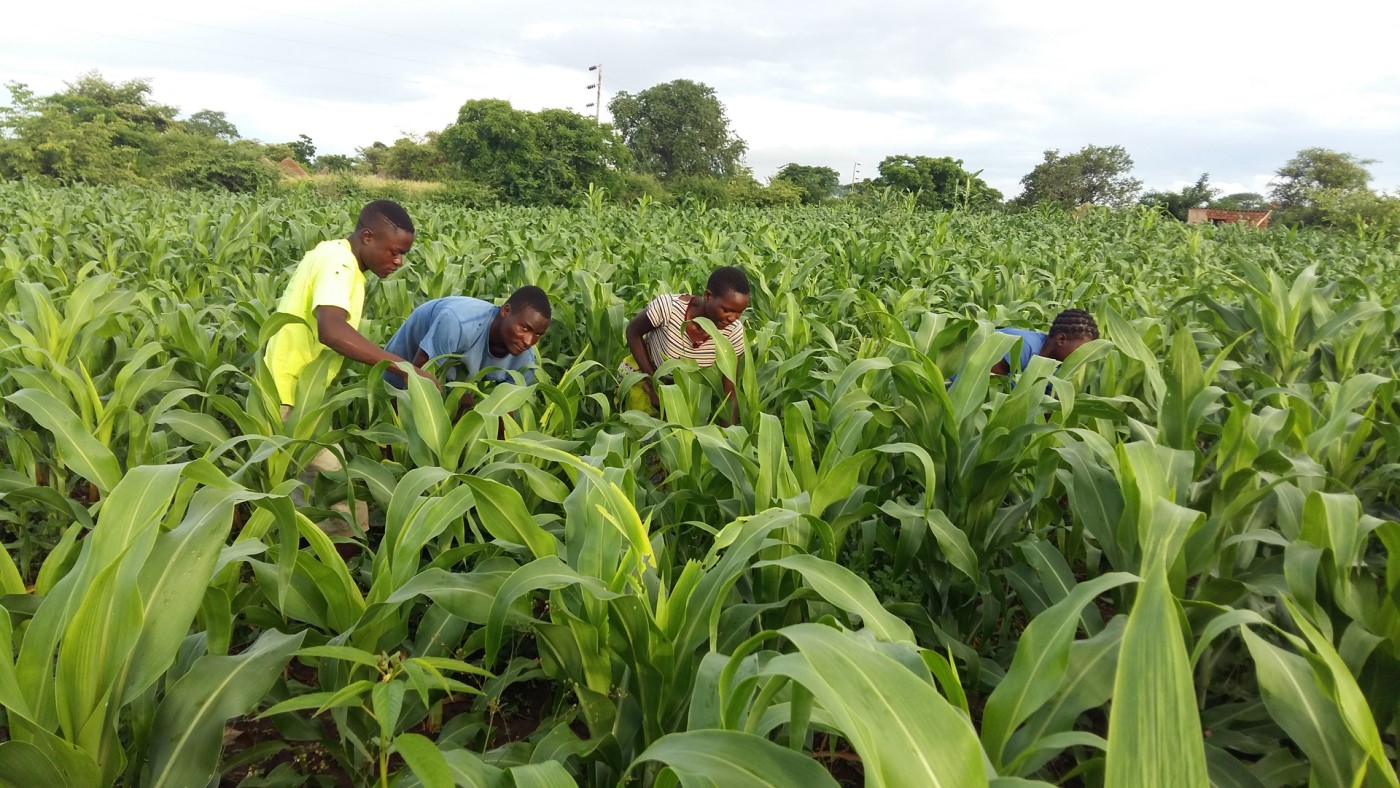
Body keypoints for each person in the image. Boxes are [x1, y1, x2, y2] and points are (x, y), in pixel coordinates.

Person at [263, 199, 429, 536]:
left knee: (299, 498)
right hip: (288, 396)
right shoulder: (338, 264)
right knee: (346, 503)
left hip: (301, 396)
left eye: (403, 255)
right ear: (368, 237)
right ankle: (346, 579)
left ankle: (297, 559)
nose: (398, 262)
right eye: (394, 251)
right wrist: (405, 369)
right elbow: (332, 330)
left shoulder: (337, 259)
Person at [621, 266, 750, 426]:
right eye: (727, 310)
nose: (733, 318)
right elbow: (633, 332)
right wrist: (652, 383)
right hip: (643, 376)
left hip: (684, 394)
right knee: (642, 437)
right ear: (708, 296)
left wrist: (730, 439)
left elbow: (729, 393)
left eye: (739, 312)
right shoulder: (669, 308)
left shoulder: (733, 333)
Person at [381, 286, 552, 397]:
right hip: (413, 351)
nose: (529, 341)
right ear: (506, 311)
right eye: (524, 328)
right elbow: (416, 376)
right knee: (396, 399)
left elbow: (505, 410)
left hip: (458, 365)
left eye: (538, 334)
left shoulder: (526, 362)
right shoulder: (457, 322)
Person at [990, 308, 1099, 376]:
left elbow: (1049, 407)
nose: (1084, 357)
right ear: (1061, 339)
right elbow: (990, 386)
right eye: (1081, 351)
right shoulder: (1023, 346)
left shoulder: (1059, 367)